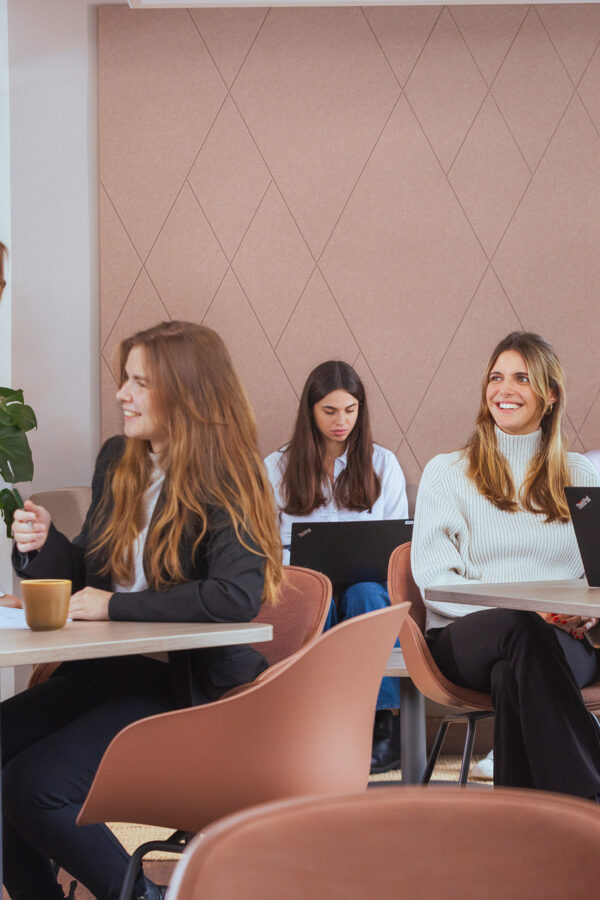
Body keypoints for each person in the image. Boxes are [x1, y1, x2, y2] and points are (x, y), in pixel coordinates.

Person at [6, 321, 282, 900]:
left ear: (187, 391)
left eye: (140, 383)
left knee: (32, 786)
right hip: (107, 673)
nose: (122, 395)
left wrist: (116, 606)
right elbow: (90, 576)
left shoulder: (231, 475)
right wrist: (44, 546)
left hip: (184, 689)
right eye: (124, 379)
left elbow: (234, 596)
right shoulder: (119, 460)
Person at [411, 331, 600, 796]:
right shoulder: (447, 473)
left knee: (512, 674)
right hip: (465, 635)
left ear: (550, 395)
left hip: (563, 638)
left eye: (521, 378)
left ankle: (523, 816)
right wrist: (529, 614)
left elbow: (594, 574)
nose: (504, 390)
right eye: (496, 378)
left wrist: (586, 614)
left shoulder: (579, 474)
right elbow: (434, 580)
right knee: (519, 626)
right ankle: (588, 795)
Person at [264, 360, 408, 773]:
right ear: (310, 410)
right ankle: (315, 721)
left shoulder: (383, 464)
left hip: (368, 581)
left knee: (368, 596)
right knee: (316, 601)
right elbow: (264, 545)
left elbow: (397, 546)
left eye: (350, 410)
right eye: (329, 411)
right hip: (304, 582)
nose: (341, 421)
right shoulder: (277, 467)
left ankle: (383, 725)